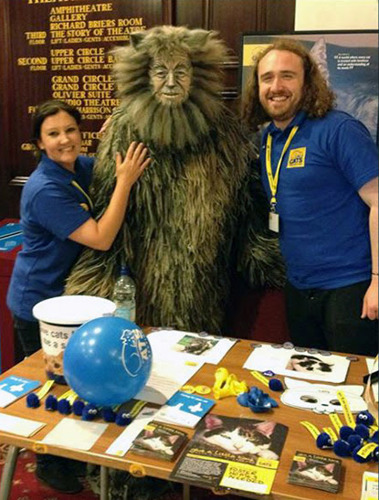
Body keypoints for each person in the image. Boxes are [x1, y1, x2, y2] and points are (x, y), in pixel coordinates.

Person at [6, 99, 150, 494]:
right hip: (39, 302)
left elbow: (102, 166)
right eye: (53, 134)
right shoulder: (44, 188)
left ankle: (70, 457)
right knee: (52, 385)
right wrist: (124, 181)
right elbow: (101, 239)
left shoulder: (76, 168)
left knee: (74, 383)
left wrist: (117, 135)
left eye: (70, 130)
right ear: (39, 142)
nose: (65, 139)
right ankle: (50, 465)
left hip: (70, 301)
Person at [242, 38, 378, 357]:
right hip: (299, 288)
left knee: (358, 393)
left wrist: (377, 281)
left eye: (288, 75)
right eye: (267, 77)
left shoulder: (339, 129)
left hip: (350, 288)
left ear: (308, 81)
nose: (277, 86)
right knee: (311, 393)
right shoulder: (268, 139)